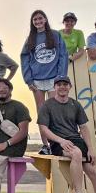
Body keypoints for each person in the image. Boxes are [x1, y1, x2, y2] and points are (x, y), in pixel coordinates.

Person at [21, 10, 68, 148]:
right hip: (37, 80)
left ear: (45, 20)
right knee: (42, 113)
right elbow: (25, 59)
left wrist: (61, 77)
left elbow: (63, 55)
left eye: (40, 18)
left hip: (53, 79)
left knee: (55, 110)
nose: (38, 21)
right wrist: (29, 80)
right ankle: (45, 144)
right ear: (32, 22)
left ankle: (57, 142)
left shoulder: (54, 35)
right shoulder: (31, 38)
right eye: (35, 19)